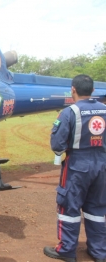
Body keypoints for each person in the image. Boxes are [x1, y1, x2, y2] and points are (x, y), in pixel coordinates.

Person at [43, 74, 106, 262]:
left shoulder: (70, 112)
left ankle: (67, 250)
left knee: (68, 207)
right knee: (97, 208)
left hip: (78, 166)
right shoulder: (104, 110)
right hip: (102, 165)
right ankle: (99, 251)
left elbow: (57, 145)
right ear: (93, 90)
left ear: (73, 89)